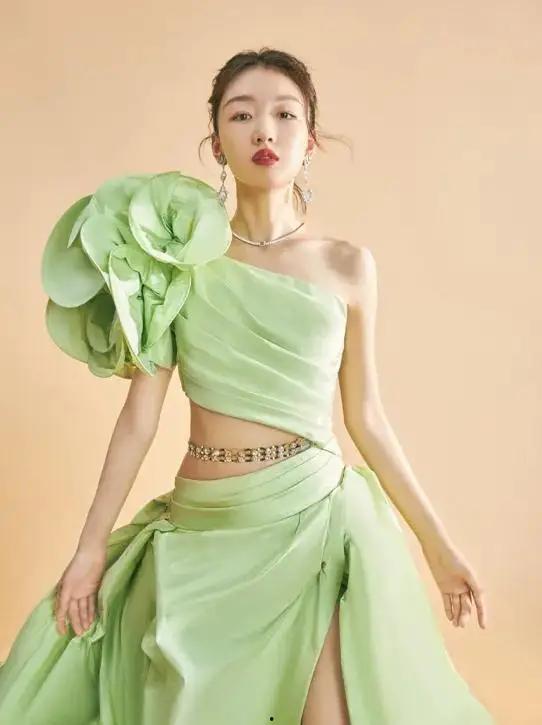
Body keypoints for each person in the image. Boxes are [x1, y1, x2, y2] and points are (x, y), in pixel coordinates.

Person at [0, 47, 495, 725]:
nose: (265, 129)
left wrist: (439, 548)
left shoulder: (349, 267)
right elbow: (140, 418)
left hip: (312, 522)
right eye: (242, 115)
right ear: (216, 144)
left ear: (310, 141)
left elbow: (367, 416)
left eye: (285, 115)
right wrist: (89, 548)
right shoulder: (175, 266)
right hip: (206, 529)